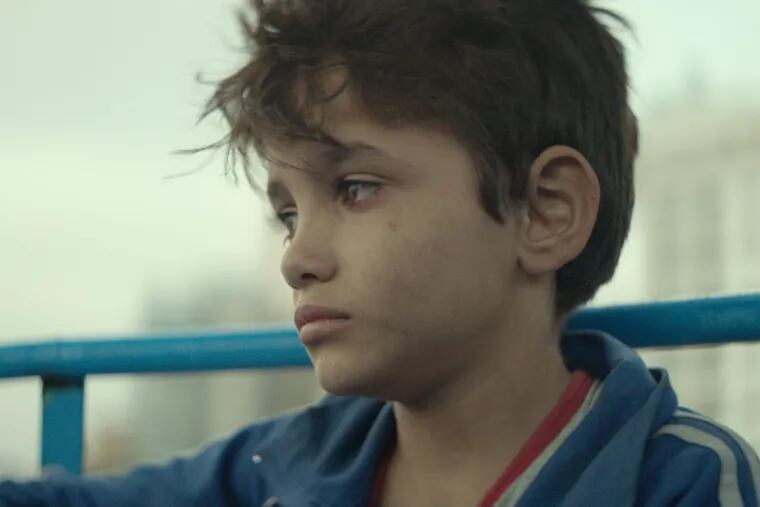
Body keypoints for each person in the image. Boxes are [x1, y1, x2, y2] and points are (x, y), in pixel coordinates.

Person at [2, 0, 759, 505]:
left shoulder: (679, 480)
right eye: (287, 214)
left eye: (356, 188)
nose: (296, 258)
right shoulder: (281, 464)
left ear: (544, 211)